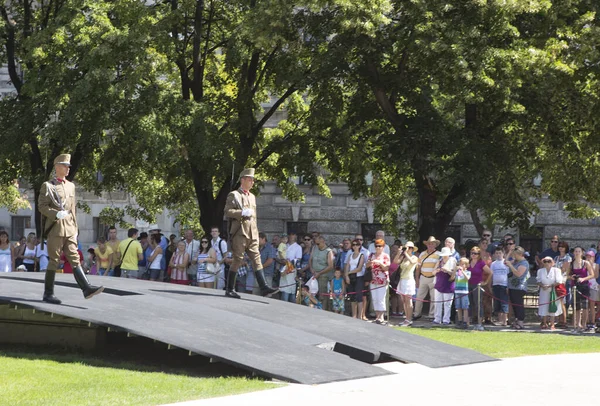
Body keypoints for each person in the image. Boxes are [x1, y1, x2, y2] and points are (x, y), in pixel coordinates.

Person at [38, 154, 103, 303]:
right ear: (57, 167)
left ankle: (86, 288)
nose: (68, 169)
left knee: (75, 258)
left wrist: (75, 230)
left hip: (69, 228)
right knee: (54, 260)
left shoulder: (71, 186)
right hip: (55, 228)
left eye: (68, 166)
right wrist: (55, 214)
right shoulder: (48, 186)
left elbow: (73, 209)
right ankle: (48, 293)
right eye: (65, 166)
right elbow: (42, 206)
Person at [223, 168, 277, 298]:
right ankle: (229, 288)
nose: (252, 182)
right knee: (237, 259)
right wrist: (241, 212)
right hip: (240, 232)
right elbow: (227, 211)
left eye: (253, 180)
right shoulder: (234, 195)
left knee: (256, 259)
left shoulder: (252, 197)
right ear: (243, 180)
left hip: (252, 233)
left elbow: (254, 218)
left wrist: (256, 232)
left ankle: (263, 287)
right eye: (250, 179)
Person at [413, 236, 441, 320]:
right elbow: (418, 267)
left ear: (435, 245)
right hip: (423, 277)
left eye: (432, 244)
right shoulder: (422, 254)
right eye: (429, 244)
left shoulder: (438, 254)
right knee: (419, 297)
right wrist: (417, 279)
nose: (430, 245)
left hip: (434, 278)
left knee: (433, 297)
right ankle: (417, 314)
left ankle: (431, 315)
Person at [568, 246, 594, 332]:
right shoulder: (571, 263)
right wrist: (571, 277)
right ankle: (577, 324)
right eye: (576, 251)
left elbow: (592, 274)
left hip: (585, 287)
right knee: (577, 306)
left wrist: (583, 279)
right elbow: (567, 275)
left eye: (579, 251)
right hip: (575, 286)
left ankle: (584, 324)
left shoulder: (586, 263)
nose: (577, 253)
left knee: (585, 306)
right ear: (574, 253)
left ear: (582, 253)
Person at [366, 239, 390, 324]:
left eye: (379, 246)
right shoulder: (371, 255)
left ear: (383, 247)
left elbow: (387, 268)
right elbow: (367, 266)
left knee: (381, 298)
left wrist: (379, 263)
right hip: (373, 279)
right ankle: (377, 316)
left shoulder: (385, 256)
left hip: (382, 279)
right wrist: (369, 264)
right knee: (375, 299)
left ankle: (381, 317)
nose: (378, 248)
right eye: (376, 246)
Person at [467, 246, 492, 325]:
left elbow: (490, 272)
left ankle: (480, 321)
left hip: (477, 285)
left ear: (479, 255)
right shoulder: (468, 262)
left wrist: (485, 282)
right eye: (472, 253)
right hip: (468, 284)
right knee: (469, 303)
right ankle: (469, 320)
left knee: (478, 303)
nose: (473, 255)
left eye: (475, 253)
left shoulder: (481, 263)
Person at [506, 246, 530, 330]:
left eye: (515, 255)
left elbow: (518, 274)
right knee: (514, 305)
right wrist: (509, 252)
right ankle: (517, 320)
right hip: (512, 287)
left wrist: (511, 266)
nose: (514, 256)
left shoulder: (524, 263)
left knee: (519, 305)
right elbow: (506, 262)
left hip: (519, 287)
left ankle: (521, 322)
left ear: (520, 254)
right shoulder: (515, 261)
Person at [536, 256, 563, 330]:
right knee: (544, 306)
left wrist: (550, 286)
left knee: (553, 306)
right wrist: (542, 285)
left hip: (553, 291)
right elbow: (538, 281)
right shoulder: (540, 271)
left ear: (552, 262)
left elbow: (559, 281)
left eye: (549, 261)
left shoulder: (557, 270)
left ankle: (552, 324)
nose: (547, 263)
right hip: (543, 291)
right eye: (545, 261)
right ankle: (544, 323)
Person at [432, 247, 457, 325]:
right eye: (443, 255)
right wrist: (437, 270)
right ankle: (437, 319)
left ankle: (446, 320)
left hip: (448, 284)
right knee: (437, 303)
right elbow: (433, 272)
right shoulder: (439, 261)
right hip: (439, 284)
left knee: (447, 304)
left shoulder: (453, 261)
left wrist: (447, 271)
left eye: (446, 255)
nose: (444, 256)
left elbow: (454, 274)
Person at [310, 235, 334, 311]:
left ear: (323, 242)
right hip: (314, 274)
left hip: (323, 276)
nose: (317, 245)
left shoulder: (329, 251)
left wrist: (319, 273)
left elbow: (330, 266)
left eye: (318, 244)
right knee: (313, 293)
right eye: (316, 243)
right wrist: (311, 269)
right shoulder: (314, 248)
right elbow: (310, 259)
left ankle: (324, 309)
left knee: (322, 294)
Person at [396, 241, 417, 327]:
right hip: (402, 280)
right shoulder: (404, 258)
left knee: (409, 301)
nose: (407, 249)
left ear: (412, 249)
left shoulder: (414, 257)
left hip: (409, 280)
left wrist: (406, 253)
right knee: (404, 301)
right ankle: (406, 318)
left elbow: (412, 262)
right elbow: (396, 262)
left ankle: (409, 319)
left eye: (409, 248)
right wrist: (399, 253)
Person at [344, 238, 366, 319]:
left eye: (357, 244)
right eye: (353, 245)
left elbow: (359, 268)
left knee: (359, 297)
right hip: (351, 278)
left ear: (359, 246)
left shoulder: (361, 255)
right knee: (352, 297)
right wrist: (346, 276)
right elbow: (347, 266)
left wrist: (349, 273)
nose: (355, 246)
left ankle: (360, 315)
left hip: (359, 277)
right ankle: (354, 315)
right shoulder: (350, 255)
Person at [279, 232, 302, 301]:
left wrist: (289, 264)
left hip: (291, 270)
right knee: (284, 292)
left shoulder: (298, 247)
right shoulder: (284, 245)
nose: (291, 236)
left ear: (295, 236)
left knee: (291, 293)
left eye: (293, 235)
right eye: (290, 234)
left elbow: (298, 259)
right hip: (284, 268)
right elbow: (279, 255)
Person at [490, 247, 510, 326]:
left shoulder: (506, 263)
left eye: (500, 253)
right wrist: (490, 285)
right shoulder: (493, 264)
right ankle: (500, 320)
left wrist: (508, 286)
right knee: (497, 303)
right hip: (495, 285)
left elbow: (508, 275)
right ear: (494, 254)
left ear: (503, 254)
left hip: (504, 285)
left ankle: (505, 321)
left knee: (504, 303)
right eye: (497, 253)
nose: (498, 255)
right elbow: (491, 275)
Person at [554, 241, 571, 328]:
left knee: (562, 302)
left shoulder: (567, 258)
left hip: (563, 281)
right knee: (557, 301)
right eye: (560, 246)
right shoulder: (556, 258)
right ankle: (559, 320)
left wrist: (556, 270)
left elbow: (564, 269)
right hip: (556, 280)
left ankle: (564, 321)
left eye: (563, 247)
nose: (561, 248)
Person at [454, 258, 471, 329]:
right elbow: (453, 278)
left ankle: (465, 322)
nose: (461, 265)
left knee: (465, 307)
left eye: (463, 264)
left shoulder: (468, 272)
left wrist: (463, 271)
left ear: (466, 265)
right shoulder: (457, 273)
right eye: (460, 264)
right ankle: (460, 321)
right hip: (457, 291)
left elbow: (467, 278)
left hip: (464, 292)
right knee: (458, 307)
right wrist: (455, 270)